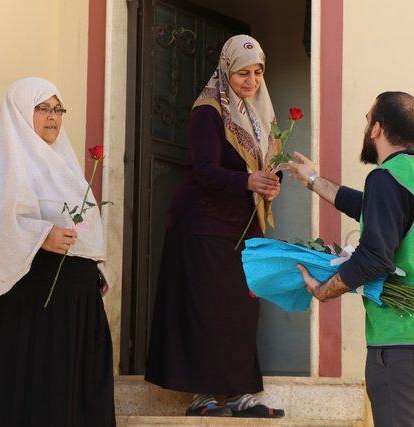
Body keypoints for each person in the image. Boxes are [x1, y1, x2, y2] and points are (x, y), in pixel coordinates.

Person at [0, 77, 115, 426]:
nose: (53, 117)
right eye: (43, 108)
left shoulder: (66, 164)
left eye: (58, 109)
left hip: (60, 300)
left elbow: (88, 226)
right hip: (19, 295)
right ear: (19, 112)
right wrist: (42, 235)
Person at [288, 92, 414, 427]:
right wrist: (312, 180)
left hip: (405, 346)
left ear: (377, 129)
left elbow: (375, 258)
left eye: (368, 118)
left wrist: (324, 291)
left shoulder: (386, 178)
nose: (367, 125)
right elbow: (372, 208)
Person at [144, 35, 285, 418]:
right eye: (243, 72)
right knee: (207, 308)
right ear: (226, 70)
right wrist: (247, 182)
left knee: (241, 309)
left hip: (242, 226)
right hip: (203, 225)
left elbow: (265, 166)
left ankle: (240, 393)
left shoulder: (256, 116)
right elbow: (203, 169)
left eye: (257, 72)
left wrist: (271, 180)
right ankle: (201, 395)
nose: (251, 80)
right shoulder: (208, 111)